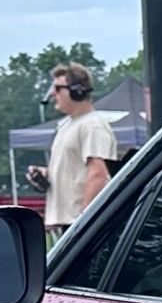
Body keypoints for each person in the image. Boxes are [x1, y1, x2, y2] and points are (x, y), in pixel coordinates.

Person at [28, 64, 119, 233]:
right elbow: (76, 172)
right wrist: (46, 175)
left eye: (57, 88)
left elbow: (98, 174)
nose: (53, 94)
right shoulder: (68, 125)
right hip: (71, 222)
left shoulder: (93, 126)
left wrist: (83, 221)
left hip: (79, 224)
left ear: (77, 91)